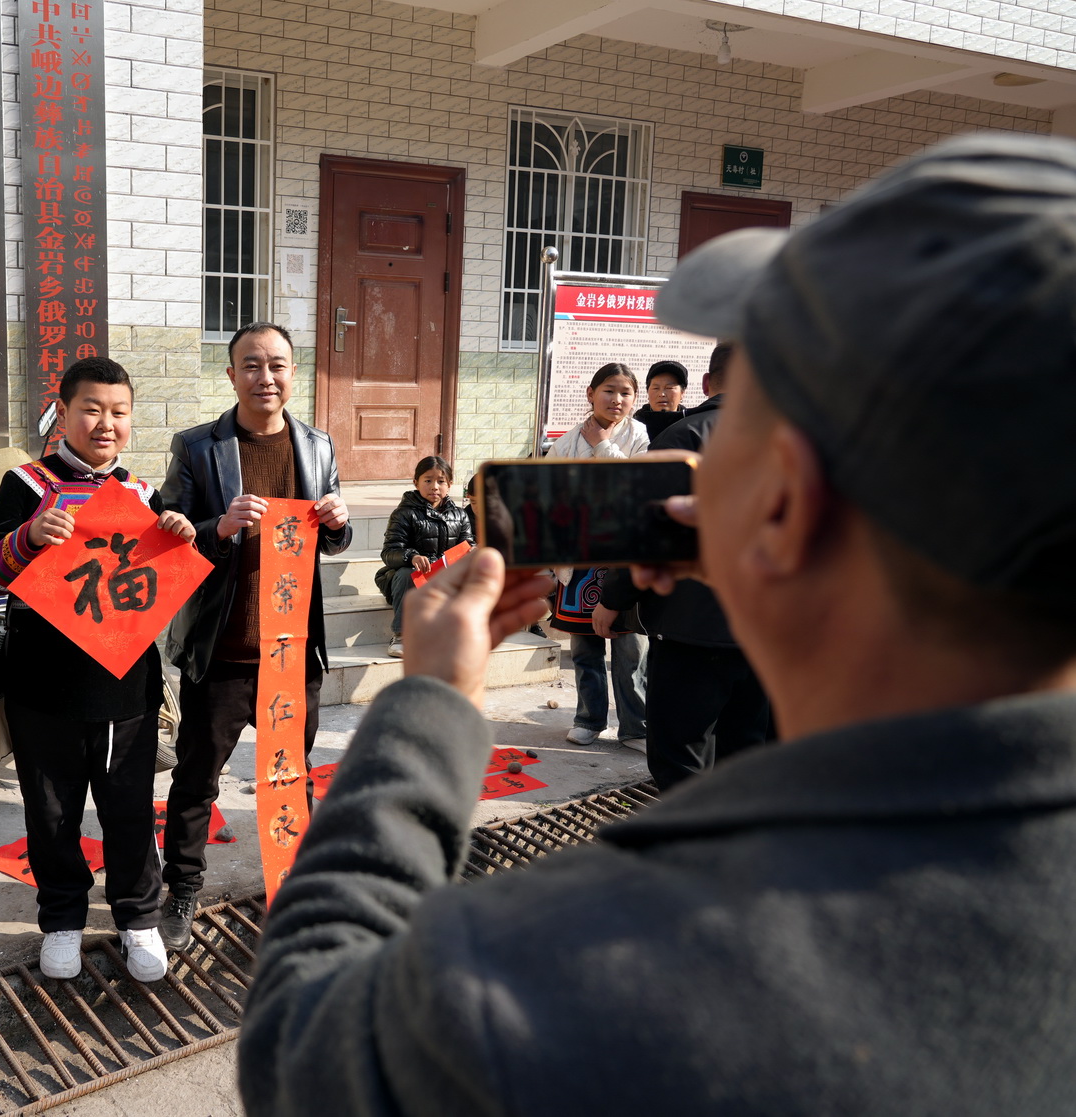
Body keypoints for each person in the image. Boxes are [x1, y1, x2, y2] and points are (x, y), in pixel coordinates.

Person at [237, 133, 1076, 1115]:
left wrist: (426, 709)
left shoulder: (574, 967)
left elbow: (301, 1047)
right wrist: (773, 571)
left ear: (782, 505)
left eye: (723, 436)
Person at [0, 358, 195, 984]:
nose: (105, 423)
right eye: (91, 410)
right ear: (64, 414)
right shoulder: (27, 483)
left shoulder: (141, 494)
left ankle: (138, 917)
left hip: (126, 688)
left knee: (129, 808)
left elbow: (158, 591)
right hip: (43, 685)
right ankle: (63, 919)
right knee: (51, 813)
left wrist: (180, 537)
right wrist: (28, 537)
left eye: (118, 412)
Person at [158, 321, 351, 951]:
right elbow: (166, 532)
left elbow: (334, 537)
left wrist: (339, 522)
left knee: (289, 777)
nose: (265, 377)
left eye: (277, 365)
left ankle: (291, 887)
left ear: (293, 372)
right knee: (196, 778)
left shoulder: (317, 445)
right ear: (231, 373)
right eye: (251, 365)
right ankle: (182, 887)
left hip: (291, 651)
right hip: (222, 648)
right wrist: (217, 526)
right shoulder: (198, 446)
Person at [596, 343, 774, 789]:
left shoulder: (682, 439)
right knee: (747, 750)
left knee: (682, 758)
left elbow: (645, 534)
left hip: (690, 630)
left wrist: (613, 599)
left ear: (707, 383)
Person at [544, 361, 648, 748]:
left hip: (624, 560)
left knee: (631, 647)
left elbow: (636, 489)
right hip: (579, 559)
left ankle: (636, 726)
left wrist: (603, 446)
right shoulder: (567, 442)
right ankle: (589, 718)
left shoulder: (640, 437)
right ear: (591, 393)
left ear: (634, 399)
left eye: (625, 392)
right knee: (585, 647)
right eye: (609, 390)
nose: (617, 399)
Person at [374, 455, 474, 659]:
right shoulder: (403, 514)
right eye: (428, 480)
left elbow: (467, 546)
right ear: (416, 482)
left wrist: (472, 553)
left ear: (450, 484)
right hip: (408, 580)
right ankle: (401, 636)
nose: (434, 487)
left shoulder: (460, 515)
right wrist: (411, 556)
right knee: (407, 574)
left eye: (441, 481)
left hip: (443, 580)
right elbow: (389, 552)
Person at [633, 358, 689, 438]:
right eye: (656, 388)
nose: (662, 394)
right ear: (647, 391)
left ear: (682, 393)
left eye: (669, 388)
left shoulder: (691, 425)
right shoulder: (634, 426)